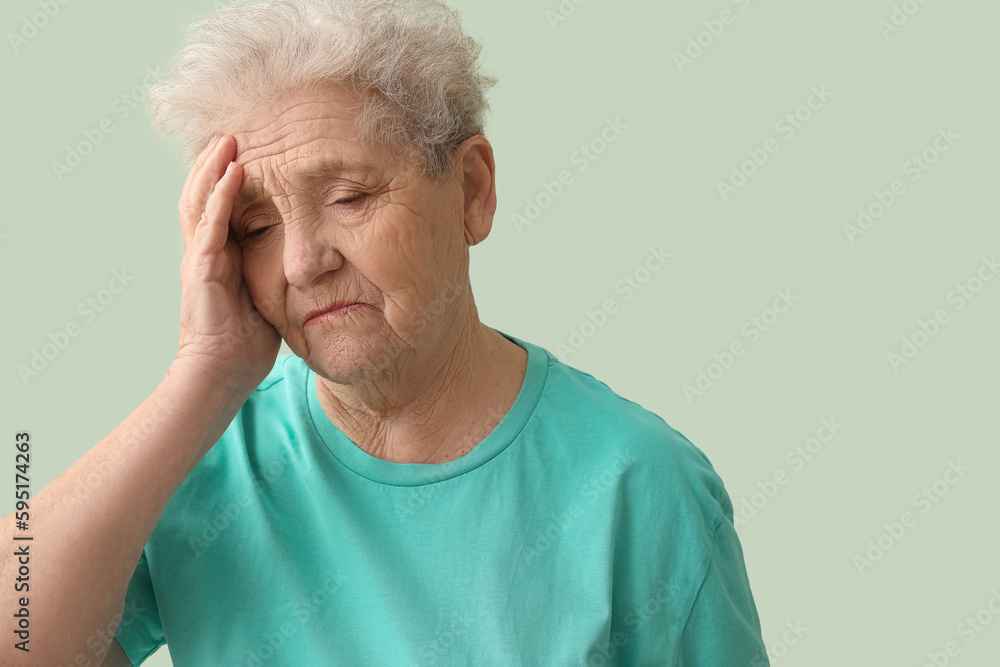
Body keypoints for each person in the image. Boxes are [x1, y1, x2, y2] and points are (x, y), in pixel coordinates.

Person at [0, 0, 769, 664]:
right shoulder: (204, 468)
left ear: (470, 190)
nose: (302, 261)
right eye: (257, 225)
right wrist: (200, 376)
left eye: (349, 196)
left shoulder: (642, 487)